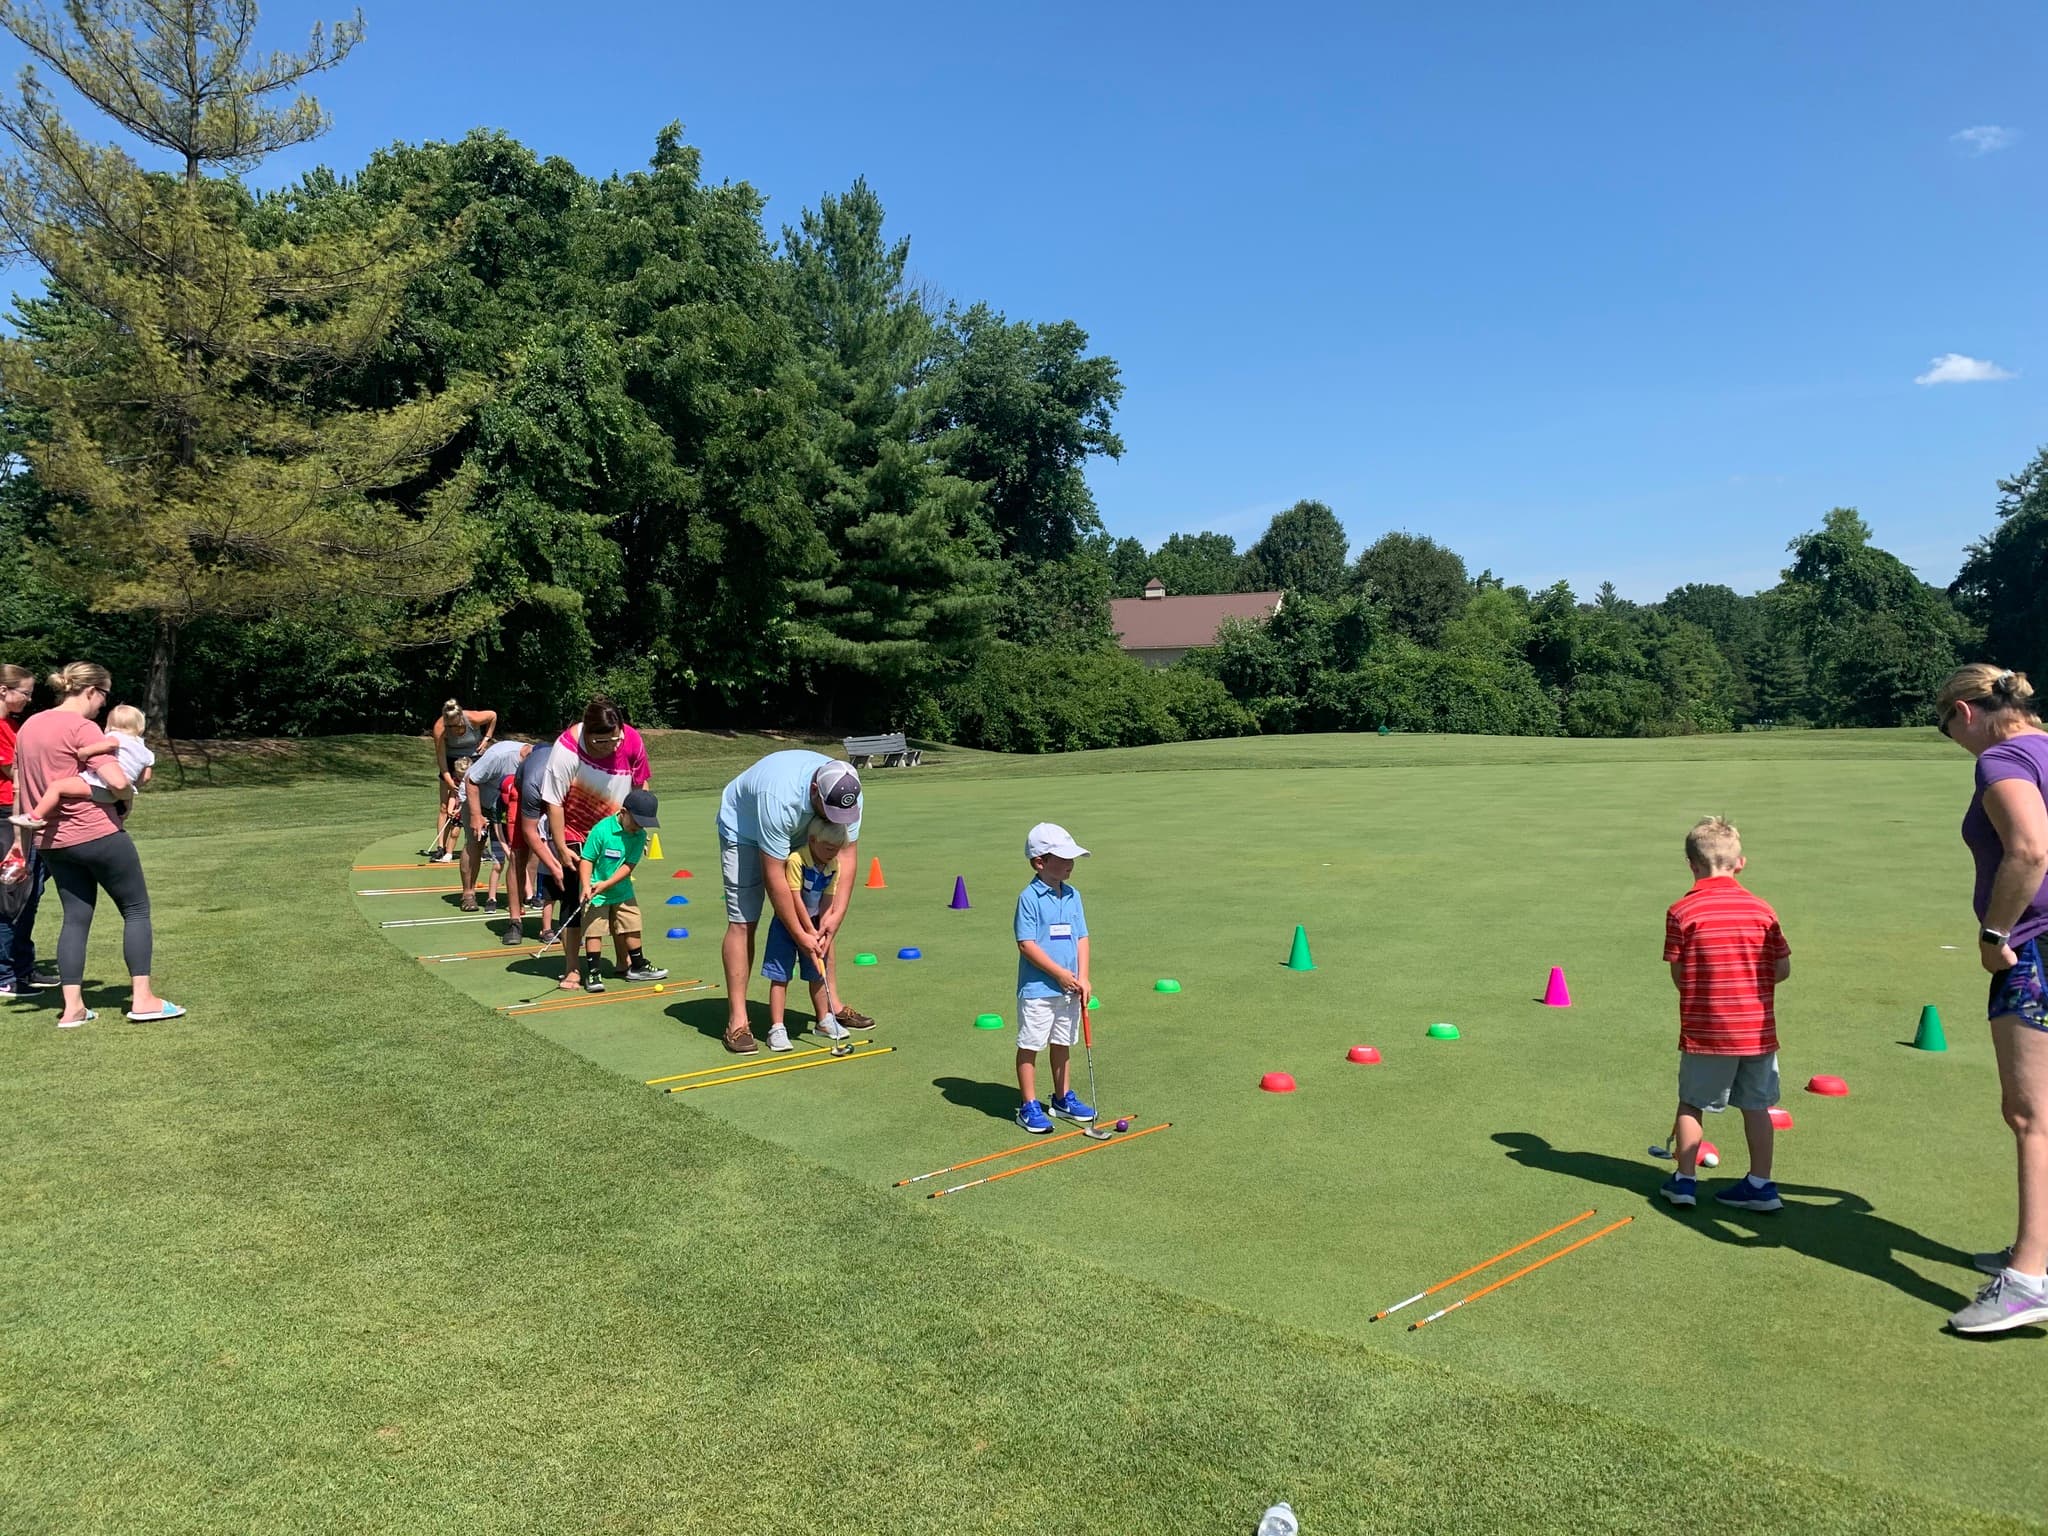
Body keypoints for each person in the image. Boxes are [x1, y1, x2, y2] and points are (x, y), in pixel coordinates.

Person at [1936, 664, 2048, 1334]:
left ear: (1964, 711)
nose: (1949, 736)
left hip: (2033, 951)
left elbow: (2030, 851)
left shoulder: (2002, 759)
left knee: (2030, 1114)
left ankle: (2029, 1278)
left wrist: (1993, 933)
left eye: (1943, 722)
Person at [16, 662, 178, 1027]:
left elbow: (23, 783)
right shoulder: (82, 726)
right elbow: (117, 781)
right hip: (96, 832)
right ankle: (144, 999)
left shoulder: (29, 726)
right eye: (103, 696)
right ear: (91, 691)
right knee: (136, 910)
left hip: (50, 840)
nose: (103, 706)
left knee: (75, 919)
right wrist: (123, 795)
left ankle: (72, 1008)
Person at [1657, 817, 1790, 1212]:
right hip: (1757, 1031)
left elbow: (1680, 975)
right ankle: (1761, 1185)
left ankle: (1684, 1181)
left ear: (1691, 864)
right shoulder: (1763, 910)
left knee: (1691, 1103)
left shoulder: (1681, 911)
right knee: (1756, 1106)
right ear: (1741, 863)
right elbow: (1781, 970)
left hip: (1706, 1031)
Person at [715, 749, 871, 1054]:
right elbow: (776, 876)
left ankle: (830, 1007)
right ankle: (737, 1021)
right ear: (815, 791)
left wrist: (835, 914)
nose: (834, 819)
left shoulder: (848, 794)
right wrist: (799, 935)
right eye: (828, 811)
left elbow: (847, 855)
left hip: (805, 828)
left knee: (821, 919)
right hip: (743, 827)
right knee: (744, 919)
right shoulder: (779, 796)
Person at [541, 697, 654, 988]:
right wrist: (561, 846)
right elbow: (553, 802)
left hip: (619, 829)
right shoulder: (566, 750)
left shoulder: (630, 740)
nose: (612, 746)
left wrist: (638, 827)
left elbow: (641, 785)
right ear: (588, 733)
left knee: (617, 895)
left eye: (616, 738)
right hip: (576, 834)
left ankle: (623, 962)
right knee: (576, 902)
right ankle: (572, 968)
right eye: (603, 741)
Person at [1012, 822, 1097, 1135]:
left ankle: (1062, 1099)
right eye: (1063, 859)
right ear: (1040, 862)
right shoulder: (1030, 898)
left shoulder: (1073, 895)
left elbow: (1082, 938)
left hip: (1069, 989)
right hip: (1038, 990)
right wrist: (1060, 973)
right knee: (1031, 1044)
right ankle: (1029, 1105)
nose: (1070, 864)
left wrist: (1083, 977)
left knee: (1063, 1042)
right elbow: (1026, 945)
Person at [759, 818, 853, 1053]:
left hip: (814, 926)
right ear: (813, 840)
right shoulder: (796, 861)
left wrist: (822, 929)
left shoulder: (833, 864)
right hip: (787, 925)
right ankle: (777, 1028)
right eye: (829, 848)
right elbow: (794, 898)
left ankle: (823, 1020)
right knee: (780, 975)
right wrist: (807, 931)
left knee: (818, 973)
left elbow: (828, 899)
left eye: (836, 850)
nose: (833, 854)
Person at [573, 788, 665, 993]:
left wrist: (608, 884)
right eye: (636, 821)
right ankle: (594, 972)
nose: (639, 827)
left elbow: (628, 866)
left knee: (632, 923)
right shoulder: (602, 830)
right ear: (623, 812)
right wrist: (587, 885)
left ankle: (637, 965)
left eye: (643, 824)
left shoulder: (639, 835)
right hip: (595, 889)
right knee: (594, 930)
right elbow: (587, 859)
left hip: (621, 889)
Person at [0, 663, 55, 998]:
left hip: (22, 811)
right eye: (25, 692)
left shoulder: (12, 725)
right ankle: (5, 973)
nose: (29, 699)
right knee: (11, 891)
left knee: (31, 892)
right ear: (4, 690)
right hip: (8, 813)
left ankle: (23, 967)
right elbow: (12, 770)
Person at [11, 702, 154, 827]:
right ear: (140, 727)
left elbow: (110, 745)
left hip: (98, 786)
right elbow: (146, 777)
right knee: (124, 799)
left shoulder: (114, 737)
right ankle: (124, 814)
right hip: (119, 793)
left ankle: (35, 816)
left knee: (57, 787)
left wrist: (85, 752)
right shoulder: (146, 751)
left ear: (110, 725)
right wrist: (131, 786)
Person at [459, 738, 529, 913]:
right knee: (476, 842)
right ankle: (468, 894)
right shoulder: (501, 755)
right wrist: (476, 815)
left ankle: (520, 898)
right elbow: (471, 780)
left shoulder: (536, 764)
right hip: (477, 799)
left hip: (505, 807)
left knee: (519, 848)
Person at [509, 728, 563, 947]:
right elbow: (531, 832)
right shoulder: (531, 781)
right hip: (524, 795)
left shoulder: (570, 775)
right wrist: (553, 865)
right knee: (518, 854)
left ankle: (569, 925)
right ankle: (514, 921)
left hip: (559, 796)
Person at [429, 698, 496, 864]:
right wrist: (449, 780)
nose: (455, 729)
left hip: (473, 757)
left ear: (461, 718)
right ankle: (440, 848)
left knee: (479, 803)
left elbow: (493, 716)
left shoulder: (472, 718)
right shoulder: (440, 729)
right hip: (451, 760)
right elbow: (441, 760)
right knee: (445, 805)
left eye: (457, 725)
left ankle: (482, 846)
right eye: (450, 726)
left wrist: (486, 738)